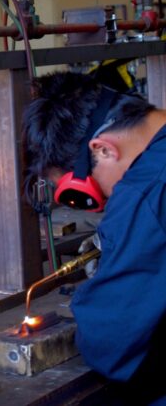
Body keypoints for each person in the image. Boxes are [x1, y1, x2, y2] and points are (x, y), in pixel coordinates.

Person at [22, 71, 166, 404]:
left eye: (85, 195)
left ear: (102, 150)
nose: (99, 207)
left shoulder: (143, 191)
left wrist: (98, 292)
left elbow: (114, 342)